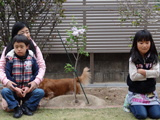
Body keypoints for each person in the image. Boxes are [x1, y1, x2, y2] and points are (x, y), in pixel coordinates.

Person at [0, 22, 46, 115]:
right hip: (13, 87)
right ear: (15, 35)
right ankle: (16, 106)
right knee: (8, 108)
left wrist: (34, 82)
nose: (26, 35)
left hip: (28, 87)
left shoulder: (34, 50)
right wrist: (7, 82)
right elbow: (2, 68)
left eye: (27, 32)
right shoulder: (9, 52)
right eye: (22, 33)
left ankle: (25, 106)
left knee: (38, 98)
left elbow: (41, 67)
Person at [126, 30, 160, 119]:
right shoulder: (133, 59)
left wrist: (143, 72)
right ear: (136, 43)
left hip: (150, 93)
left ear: (151, 43)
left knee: (156, 115)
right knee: (142, 115)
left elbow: (157, 73)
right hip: (136, 93)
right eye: (141, 43)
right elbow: (133, 77)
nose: (144, 46)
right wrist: (149, 73)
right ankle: (130, 103)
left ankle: (146, 107)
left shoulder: (154, 58)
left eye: (147, 42)